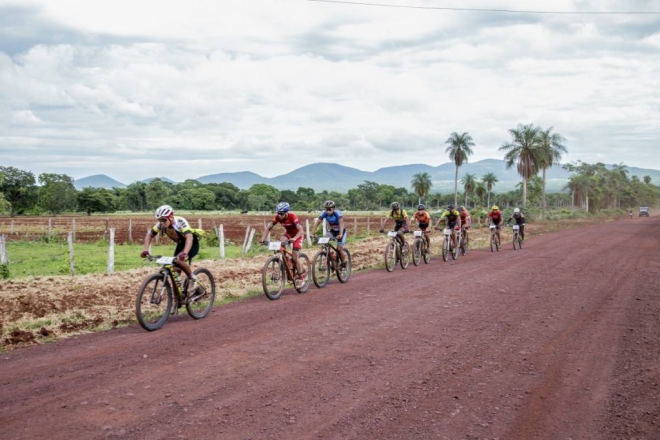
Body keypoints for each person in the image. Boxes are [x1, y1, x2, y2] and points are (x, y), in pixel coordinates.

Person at [141, 205, 199, 300]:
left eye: (164, 220)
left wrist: (184, 253)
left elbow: (189, 237)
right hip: (180, 244)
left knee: (179, 261)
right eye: (160, 220)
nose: (162, 223)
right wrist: (145, 250)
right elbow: (150, 235)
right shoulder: (160, 224)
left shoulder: (180, 221)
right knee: (174, 272)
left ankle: (193, 278)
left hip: (191, 244)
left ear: (170, 217)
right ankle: (178, 299)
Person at [260, 202, 307, 286]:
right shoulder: (277, 217)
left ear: (286, 212)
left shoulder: (293, 216)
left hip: (298, 235)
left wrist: (295, 238)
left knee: (295, 257)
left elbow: (301, 230)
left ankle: (301, 277)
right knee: (281, 241)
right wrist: (263, 238)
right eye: (278, 213)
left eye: (281, 213)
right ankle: (286, 260)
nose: (279, 215)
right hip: (289, 233)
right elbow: (269, 228)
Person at [310, 200, 347, 268]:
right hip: (333, 231)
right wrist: (312, 233)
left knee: (339, 249)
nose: (328, 211)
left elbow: (341, 223)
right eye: (326, 209)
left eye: (329, 209)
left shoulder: (337, 213)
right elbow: (317, 223)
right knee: (325, 239)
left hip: (341, 231)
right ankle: (331, 258)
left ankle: (343, 263)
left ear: (333, 209)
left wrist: (341, 234)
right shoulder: (324, 213)